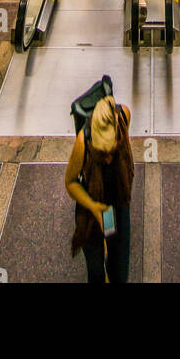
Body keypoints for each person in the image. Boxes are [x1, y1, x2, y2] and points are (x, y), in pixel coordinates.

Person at [66, 94, 134, 285]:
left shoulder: (124, 116)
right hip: (92, 208)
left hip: (117, 202)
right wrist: (94, 207)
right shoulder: (83, 141)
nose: (107, 159)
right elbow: (71, 182)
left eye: (110, 149)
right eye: (101, 152)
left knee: (119, 269)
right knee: (95, 270)